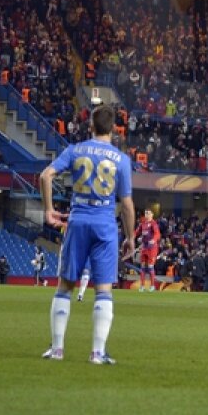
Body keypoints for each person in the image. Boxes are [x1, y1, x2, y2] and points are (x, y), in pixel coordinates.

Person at [40, 105, 135, 365]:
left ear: (91, 127)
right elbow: (126, 204)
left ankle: (57, 349)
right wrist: (130, 238)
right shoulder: (121, 160)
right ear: (115, 129)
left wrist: (49, 210)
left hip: (78, 221)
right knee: (103, 290)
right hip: (105, 225)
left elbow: (46, 175)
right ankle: (97, 353)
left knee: (65, 286)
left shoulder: (75, 150)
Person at [137, 209, 161, 292]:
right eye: (145, 213)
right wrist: (133, 237)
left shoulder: (154, 224)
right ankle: (142, 286)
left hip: (152, 248)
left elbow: (157, 234)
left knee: (150, 267)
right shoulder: (143, 223)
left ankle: (152, 286)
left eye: (148, 213)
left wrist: (153, 240)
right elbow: (137, 232)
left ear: (152, 215)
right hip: (144, 247)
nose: (146, 214)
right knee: (143, 267)